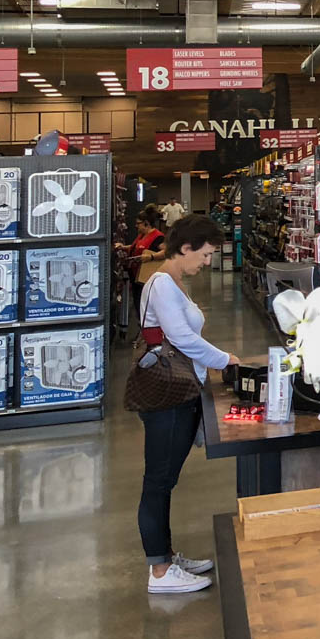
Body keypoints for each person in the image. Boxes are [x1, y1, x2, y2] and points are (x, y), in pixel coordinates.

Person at [137, 214, 240, 594]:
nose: (208, 261)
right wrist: (224, 359)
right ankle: (160, 571)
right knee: (158, 481)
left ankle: (165, 554)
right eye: (207, 253)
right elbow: (180, 337)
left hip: (180, 390)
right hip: (166, 394)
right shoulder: (163, 283)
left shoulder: (174, 282)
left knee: (165, 478)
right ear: (186, 248)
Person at [127, 206, 166, 321]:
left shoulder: (158, 237)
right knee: (139, 305)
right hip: (136, 278)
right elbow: (137, 247)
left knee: (146, 307)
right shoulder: (142, 236)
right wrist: (124, 247)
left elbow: (167, 251)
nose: (136, 226)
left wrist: (151, 256)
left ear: (146, 223)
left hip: (146, 279)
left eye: (138, 223)